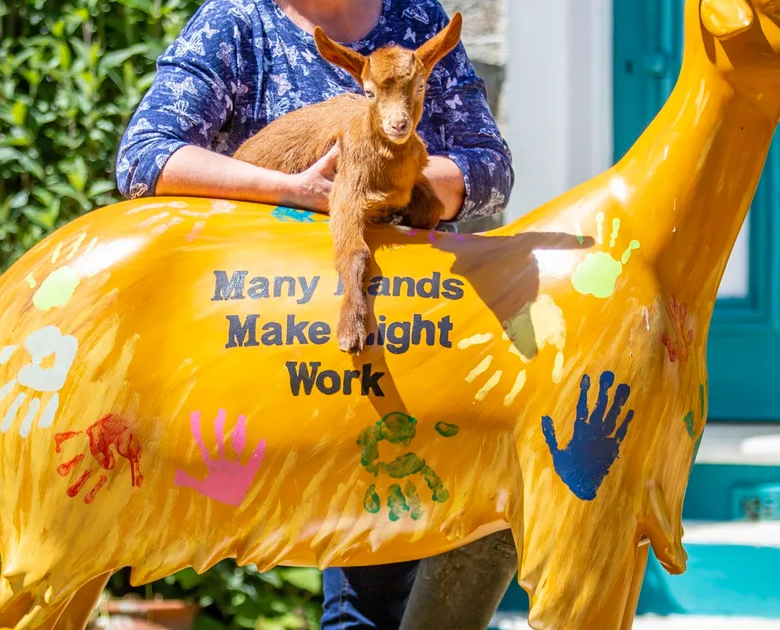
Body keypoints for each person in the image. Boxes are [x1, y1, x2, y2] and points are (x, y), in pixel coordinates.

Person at [115, 0, 515, 627]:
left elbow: (489, 166)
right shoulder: (237, 21)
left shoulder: (416, 20)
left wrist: (402, 179)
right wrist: (293, 189)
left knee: (430, 549)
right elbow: (143, 159)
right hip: (273, 342)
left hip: (405, 338)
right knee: (362, 584)